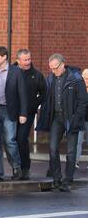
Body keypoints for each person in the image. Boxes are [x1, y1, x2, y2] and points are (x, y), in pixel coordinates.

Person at [36, 54, 87, 192]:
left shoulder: (75, 78)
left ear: (63, 64)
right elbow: (45, 98)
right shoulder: (50, 79)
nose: (53, 71)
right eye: (51, 68)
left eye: (55, 68)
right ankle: (56, 179)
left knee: (71, 151)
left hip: (72, 118)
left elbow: (83, 101)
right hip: (56, 118)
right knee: (53, 148)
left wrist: (77, 119)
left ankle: (68, 180)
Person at [0, 46, 28, 182]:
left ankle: (16, 167)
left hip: (9, 111)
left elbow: (23, 94)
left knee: (10, 141)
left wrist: (23, 113)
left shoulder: (16, 72)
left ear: (4, 57)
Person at [11, 49, 47, 180]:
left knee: (21, 138)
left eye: (29, 59)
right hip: (12, 111)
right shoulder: (10, 72)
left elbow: (43, 93)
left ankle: (25, 168)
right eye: (25, 60)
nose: (28, 62)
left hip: (28, 113)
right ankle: (15, 167)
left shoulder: (36, 75)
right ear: (18, 60)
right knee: (10, 139)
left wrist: (33, 105)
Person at [75, 69, 88, 169]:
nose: (87, 80)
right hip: (80, 118)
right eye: (86, 78)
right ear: (82, 77)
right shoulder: (78, 87)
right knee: (78, 141)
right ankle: (75, 161)